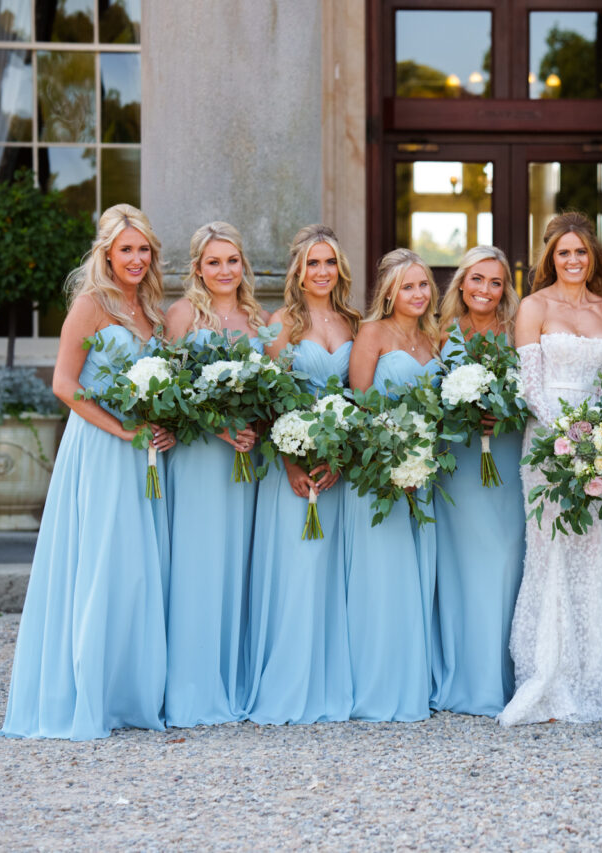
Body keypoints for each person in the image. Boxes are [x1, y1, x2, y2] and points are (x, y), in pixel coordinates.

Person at [1, 204, 176, 740]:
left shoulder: (151, 310)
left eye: (144, 249)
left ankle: (129, 693)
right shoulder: (91, 304)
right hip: (101, 449)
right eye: (126, 249)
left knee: (138, 569)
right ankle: (88, 696)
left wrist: (161, 421)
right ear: (105, 253)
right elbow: (64, 383)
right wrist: (122, 430)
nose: (137, 258)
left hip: (146, 452)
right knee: (101, 565)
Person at [498, 211, 602, 726]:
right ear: (550, 258)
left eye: (580, 252)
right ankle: (543, 674)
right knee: (548, 547)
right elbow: (529, 386)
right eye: (562, 253)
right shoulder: (534, 306)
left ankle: (589, 678)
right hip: (547, 440)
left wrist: (601, 440)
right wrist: (566, 438)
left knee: (592, 550)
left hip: (598, 442)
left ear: (592, 257)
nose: (572, 260)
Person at [245, 225, 359, 725]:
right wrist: (290, 461)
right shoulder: (282, 323)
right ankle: (291, 683)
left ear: (339, 269)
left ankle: (329, 680)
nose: (321, 272)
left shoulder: (354, 322)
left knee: (331, 571)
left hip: (336, 465)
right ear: (298, 270)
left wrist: (340, 454)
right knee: (298, 568)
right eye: (312, 263)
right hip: (291, 463)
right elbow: (267, 398)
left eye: (329, 262)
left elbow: (360, 394)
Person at [160, 222, 268, 728]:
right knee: (197, 565)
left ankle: (231, 682)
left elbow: (272, 388)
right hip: (201, 455)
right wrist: (218, 426)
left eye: (232, 260)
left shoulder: (258, 318)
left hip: (243, 462)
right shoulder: (181, 316)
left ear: (242, 265)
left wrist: (255, 427)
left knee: (235, 566)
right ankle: (191, 691)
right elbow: (168, 391)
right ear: (198, 268)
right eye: (213, 262)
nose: (225, 270)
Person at [343, 248, 442, 722]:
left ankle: (414, 681)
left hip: (425, 474)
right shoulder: (372, 333)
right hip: (380, 473)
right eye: (408, 286)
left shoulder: (434, 336)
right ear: (388, 291)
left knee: (417, 575)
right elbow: (359, 404)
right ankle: (379, 683)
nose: (418, 294)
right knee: (384, 576)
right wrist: (393, 457)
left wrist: (421, 458)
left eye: (423, 284)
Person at [431, 246, 526, 716]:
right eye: (477, 280)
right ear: (461, 283)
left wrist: (503, 411)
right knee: (463, 564)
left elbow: (531, 391)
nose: (485, 290)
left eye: (495, 282)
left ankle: (502, 675)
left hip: (504, 454)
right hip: (459, 461)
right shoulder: (439, 332)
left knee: (507, 556)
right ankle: (466, 676)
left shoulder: (516, 331)